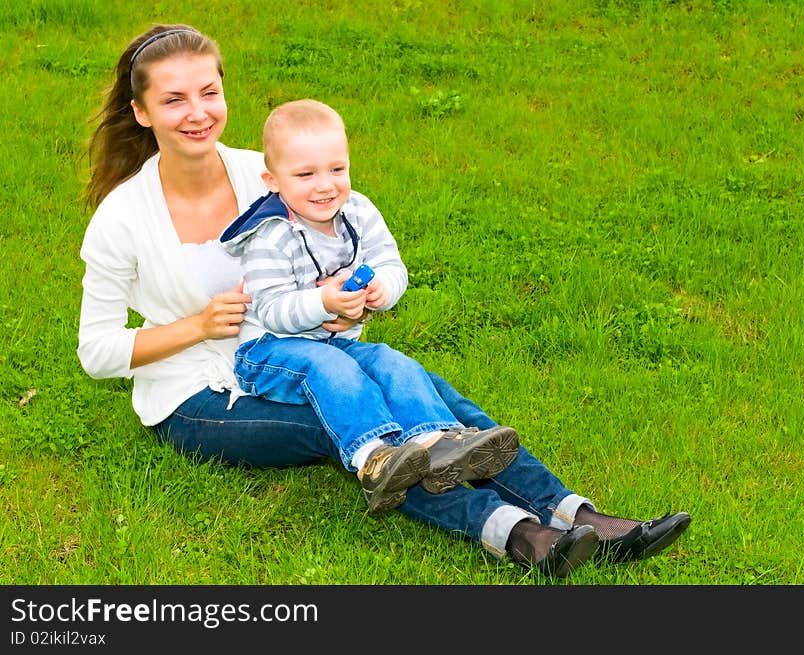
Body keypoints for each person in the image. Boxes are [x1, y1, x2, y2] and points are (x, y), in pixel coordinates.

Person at [77, 23, 692, 579]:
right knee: (362, 418)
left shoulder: (273, 170)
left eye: (208, 92)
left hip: (311, 348)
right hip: (197, 395)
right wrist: (196, 325)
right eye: (173, 99)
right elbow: (97, 352)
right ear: (141, 111)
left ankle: (576, 512)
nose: (197, 113)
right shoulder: (123, 218)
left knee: (420, 389)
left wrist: (354, 297)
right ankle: (520, 534)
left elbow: (344, 241)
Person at [217, 98, 520, 514]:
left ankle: (437, 443)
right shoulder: (270, 235)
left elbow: (391, 264)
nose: (325, 185)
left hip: (334, 344)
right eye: (305, 174)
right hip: (269, 350)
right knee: (334, 370)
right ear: (273, 180)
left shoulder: (358, 212)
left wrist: (381, 288)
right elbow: (272, 310)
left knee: (393, 363)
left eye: (336, 169)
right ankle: (374, 460)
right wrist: (323, 301)